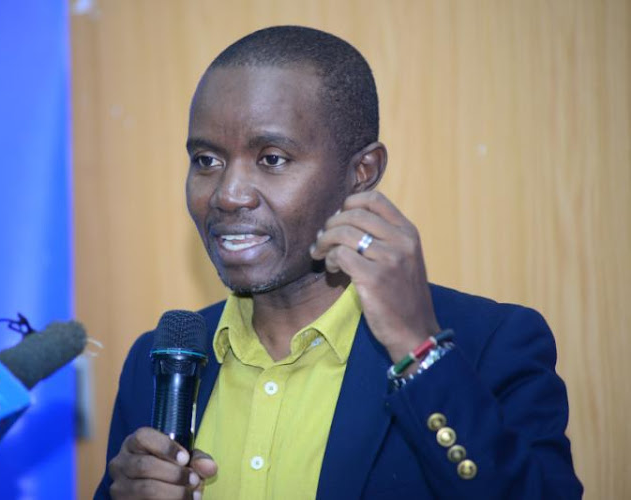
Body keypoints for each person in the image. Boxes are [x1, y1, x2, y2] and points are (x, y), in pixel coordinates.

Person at [95, 26, 582, 499]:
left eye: (272, 159)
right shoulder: (159, 361)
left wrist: (420, 355)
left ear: (361, 173)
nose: (228, 194)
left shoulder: (490, 345)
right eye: (206, 160)